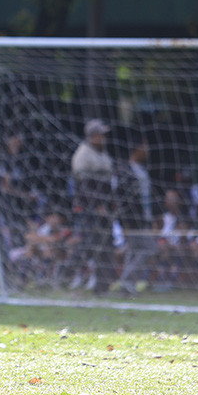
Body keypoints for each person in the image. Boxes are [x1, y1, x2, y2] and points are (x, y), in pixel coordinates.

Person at [63, 118, 114, 293]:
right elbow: (84, 187)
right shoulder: (83, 154)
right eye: (101, 134)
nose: (105, 137)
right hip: (89, 209)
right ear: (93, 136)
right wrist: (97, 205)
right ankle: (64, 275)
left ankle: (102, 287)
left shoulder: (103, 153)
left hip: (105, 209)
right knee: (88, 244)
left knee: (106, 246)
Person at [114, 138, 154, 294]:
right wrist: (125, 222)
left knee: (134, 250)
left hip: (144, 217)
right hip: (133, 219)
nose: (148, 151)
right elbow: (122, 199)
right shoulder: (125, 170)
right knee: (149, 248)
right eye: (145, 147)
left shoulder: (141, 169)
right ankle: (126, 280)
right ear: (137, 149)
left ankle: (126, 285)